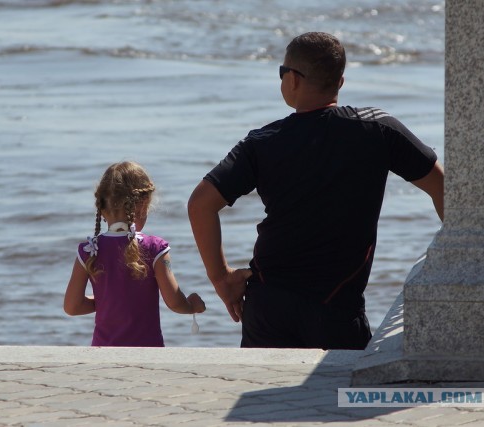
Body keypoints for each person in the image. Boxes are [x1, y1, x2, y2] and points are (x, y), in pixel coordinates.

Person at [187, 32, 444, 350]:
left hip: (268, 304)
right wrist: (460, 256)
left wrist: (222, 279)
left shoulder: (263, 142)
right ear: (341, 81)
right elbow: (444, 188)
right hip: (336, 306)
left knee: (264, 398)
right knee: (340, 398)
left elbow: (201, 204)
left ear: (292, 79)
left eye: (282, 73)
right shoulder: (378, 129)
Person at [64, 161, 206, 347]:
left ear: (102, 208)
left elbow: (72, 307)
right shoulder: (155, 248)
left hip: (103, 351)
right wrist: (191, 305)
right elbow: (174, 302)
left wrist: (107, 301)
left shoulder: (89, 250)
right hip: (147, 351)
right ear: (143, 205)